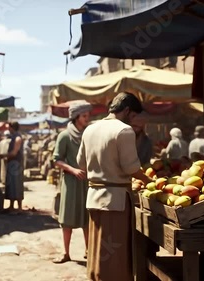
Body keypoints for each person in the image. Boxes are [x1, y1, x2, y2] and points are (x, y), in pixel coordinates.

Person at [77, 92, 153, 281]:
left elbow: (81, 163)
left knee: (97, 249)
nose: (133, 121)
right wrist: (150, 182)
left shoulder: (90, 129)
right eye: (134, 116)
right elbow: (132, 167)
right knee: (115, 252)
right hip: (116, 200)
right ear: (127, 111)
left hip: (94, 196)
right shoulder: (123, 130)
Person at [52, 101, 92, 264]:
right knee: (67, 218)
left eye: (87, 115)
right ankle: (66, 252)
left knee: (87, 218)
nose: (87, 118)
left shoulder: (89, 134)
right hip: (70, 182)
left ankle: (89, 251)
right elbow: (56, 160)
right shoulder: (64, 136)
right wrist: (73, 170)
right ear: (76, 117)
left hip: (87, 182)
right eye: (84, 116)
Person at [3, 122, 24, 214]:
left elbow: (14, 153)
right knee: (11, 185)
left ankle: (19, 207)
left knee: (17, 185)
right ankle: (11, 206)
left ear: (12, 128)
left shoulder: (17, 138)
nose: (8, 129)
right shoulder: (13, 137)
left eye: (9, 128)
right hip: (12, 163)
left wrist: (2, 155)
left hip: (16, 164)